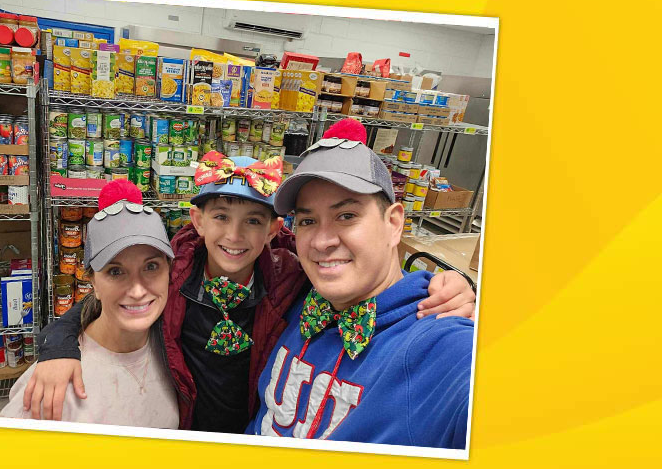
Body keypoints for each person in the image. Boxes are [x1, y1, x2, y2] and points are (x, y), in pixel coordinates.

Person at [26, 141, 477, 431]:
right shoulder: (175, 272)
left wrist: (444, 285)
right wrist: (58, 344)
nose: (234, 236)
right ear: (197, 221)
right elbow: (119, 296)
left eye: (346, 215)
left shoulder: (298, 280)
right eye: (221, 217)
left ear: (275, 230)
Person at [245, 119, 474, 449]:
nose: (321, 241)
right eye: (307, 220)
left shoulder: (441, 345)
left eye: (346, 216)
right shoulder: (300, 293)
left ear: (393, 224)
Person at [0, 180, 178, 428]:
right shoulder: (52, 385)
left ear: (170, 271)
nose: (137, 290)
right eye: (116, 271)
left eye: (151, 266)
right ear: (92, 281)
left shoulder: (175, 343)